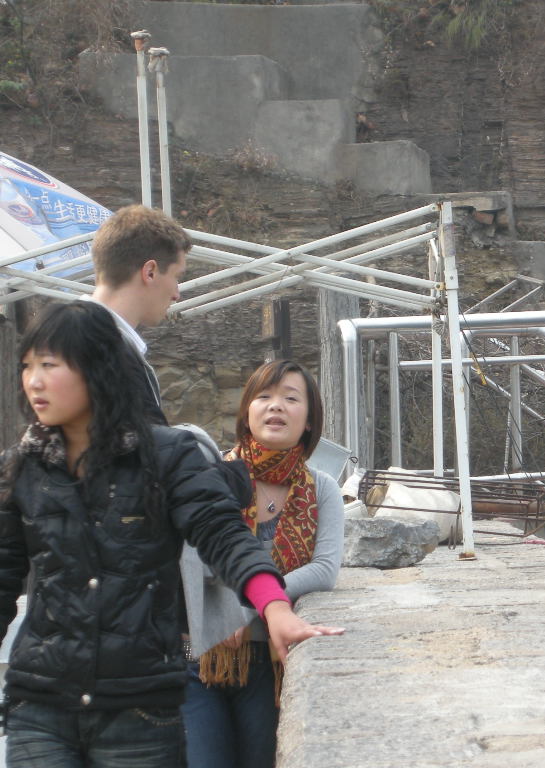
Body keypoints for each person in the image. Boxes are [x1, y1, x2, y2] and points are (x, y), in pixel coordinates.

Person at [0, 302, 344, 768]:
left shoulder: (168, 457)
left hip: (137, 703)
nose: (34, 380)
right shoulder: (22, 467)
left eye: (50, 365)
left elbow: (222, 534)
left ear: (97, 369)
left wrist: (272, 604)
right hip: (40, 703)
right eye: (27, 366)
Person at [182, 360, 345, 768]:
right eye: (264, 397)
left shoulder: (321, 487)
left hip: (269, 661)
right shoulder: (211, 475)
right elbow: (191, 558)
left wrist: (249, 607)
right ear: (247, 411)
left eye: (291, 399)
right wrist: (223, 614)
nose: (276, 407)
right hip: (200, 657)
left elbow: (325, 568)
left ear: (308, 420)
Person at [87, 204, 191, 424]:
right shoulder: (99, 348)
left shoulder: (77, 336)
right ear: (150, 272)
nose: (176, 294)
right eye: (176, 277)